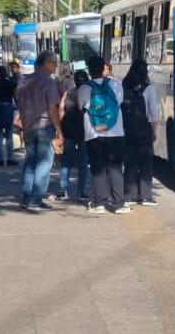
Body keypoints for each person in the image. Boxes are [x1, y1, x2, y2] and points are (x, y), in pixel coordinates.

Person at [78, 55, 130, 214]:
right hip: (116, 132)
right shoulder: (116, 84)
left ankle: (99, 202)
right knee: (115, 167)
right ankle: (119, 203)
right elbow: (119, 102)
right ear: (103, 68)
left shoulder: (84, 88)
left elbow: (82, 106)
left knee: (97, 167)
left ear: (89, 70)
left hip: (94, 134)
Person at [15, 52, 65, 211]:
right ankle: (36, 199)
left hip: (28, 127)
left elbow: (19, 104)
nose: (55, 66)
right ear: (44, 63)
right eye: (53, 63)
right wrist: (59, 130)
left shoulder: (23, 81)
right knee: (44, 163)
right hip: (44, 126)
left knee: (30, 162)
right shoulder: (49, 83)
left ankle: (26, 197)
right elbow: (52, 109)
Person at [121, 58, 160, 206]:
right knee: (145, 163)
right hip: (143, 129)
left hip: (127, 130)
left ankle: (129, 195)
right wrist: (154, 131)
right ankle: (145, 196)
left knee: (130, 162)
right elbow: (154, 113)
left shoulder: (124, 86)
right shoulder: (148, 88)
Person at [55, 69, 91, 202]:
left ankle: (62, 191)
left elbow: (61, 111)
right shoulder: (89, 93)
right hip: (84, 131)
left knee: (66, 161)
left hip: (68, 129)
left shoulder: (67, 93)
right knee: (83, 162)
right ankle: (81, 192)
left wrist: (60, 131)